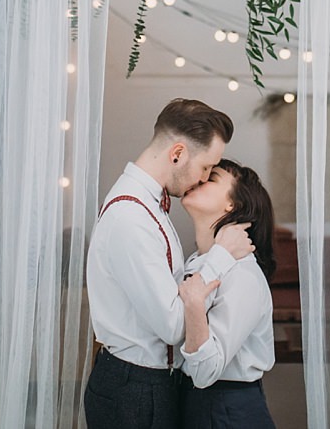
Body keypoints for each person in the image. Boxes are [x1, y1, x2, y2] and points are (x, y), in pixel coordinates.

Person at [85, 99, 255, 429]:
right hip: (133, 389)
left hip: (146, 383)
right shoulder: (131, 218)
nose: (205, 177)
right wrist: (220, 255)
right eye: (206, 167)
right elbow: (174, 326)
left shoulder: (149, 206)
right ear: (177, 154)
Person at [178, 159, 278, 429]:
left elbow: (205, 372)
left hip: (228, 411)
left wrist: (195, 303)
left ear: (233, 205)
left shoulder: (242, 274)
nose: (199, 178)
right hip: (195, 405)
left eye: (212, 178)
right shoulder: (195, 263)